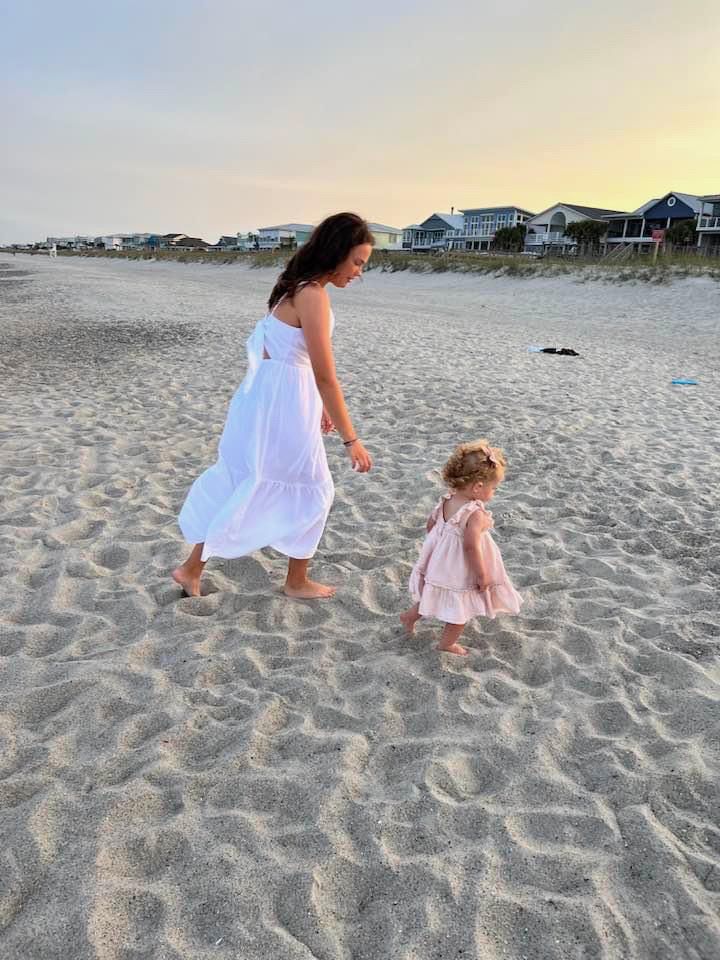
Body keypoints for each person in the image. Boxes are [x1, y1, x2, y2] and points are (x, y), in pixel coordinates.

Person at [173, 212, 374, 600]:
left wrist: (320, 408)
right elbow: (324, 374)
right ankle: (295, 581)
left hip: (266, 400)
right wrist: (352, 440)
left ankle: (191, 568)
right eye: (357, 262)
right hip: (282, 406)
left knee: (254, 481)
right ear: (336, 252)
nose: (358, 272)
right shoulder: (311, 294)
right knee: (313, 487)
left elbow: (282, 354)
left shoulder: (294, 287)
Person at [400, 440, 522, 655]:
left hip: (440, 560)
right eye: (494, 488)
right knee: (460, 609)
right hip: (460, 566)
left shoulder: (447, 499)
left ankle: (410, 616)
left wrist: (440, 549)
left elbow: (431, 525)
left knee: (433, 593)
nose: (494, 492)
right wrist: (481, 574)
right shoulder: (474, 513)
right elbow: (470, 547)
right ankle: (446, 644)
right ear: (478, 487)